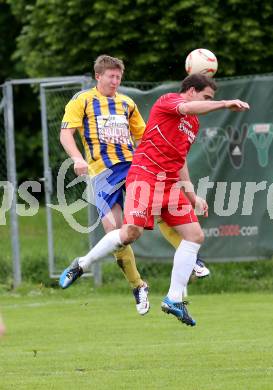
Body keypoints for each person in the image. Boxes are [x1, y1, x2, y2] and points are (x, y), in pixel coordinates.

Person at [60, 73, 249, 326]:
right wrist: (224, 103)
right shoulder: (168, 101)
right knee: (129, 233)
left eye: (211, 99)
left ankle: (173, 299)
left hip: (169, 184)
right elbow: (187, 106)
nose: (208, 101)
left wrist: (191, 195)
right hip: (144, 176)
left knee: (195, 236)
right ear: (191, 91)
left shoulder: (193, 124)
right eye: (206, 96)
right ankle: (82, 264)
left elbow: (180, 159)